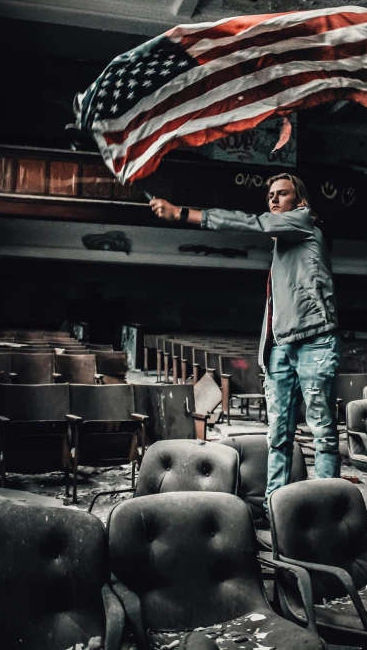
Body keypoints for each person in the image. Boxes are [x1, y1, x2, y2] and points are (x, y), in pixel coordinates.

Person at [149, 173, 341, 509]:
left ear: (301, 202)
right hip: (280, 345)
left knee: (321, 431)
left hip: (313, 340)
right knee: (277, 435)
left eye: (282, 194)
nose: (274, 199)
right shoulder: (285, 245)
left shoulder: (305, 223)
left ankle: (327, 511)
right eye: (270, 195)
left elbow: (251, 223)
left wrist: (183, 213)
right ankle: (276, 508)